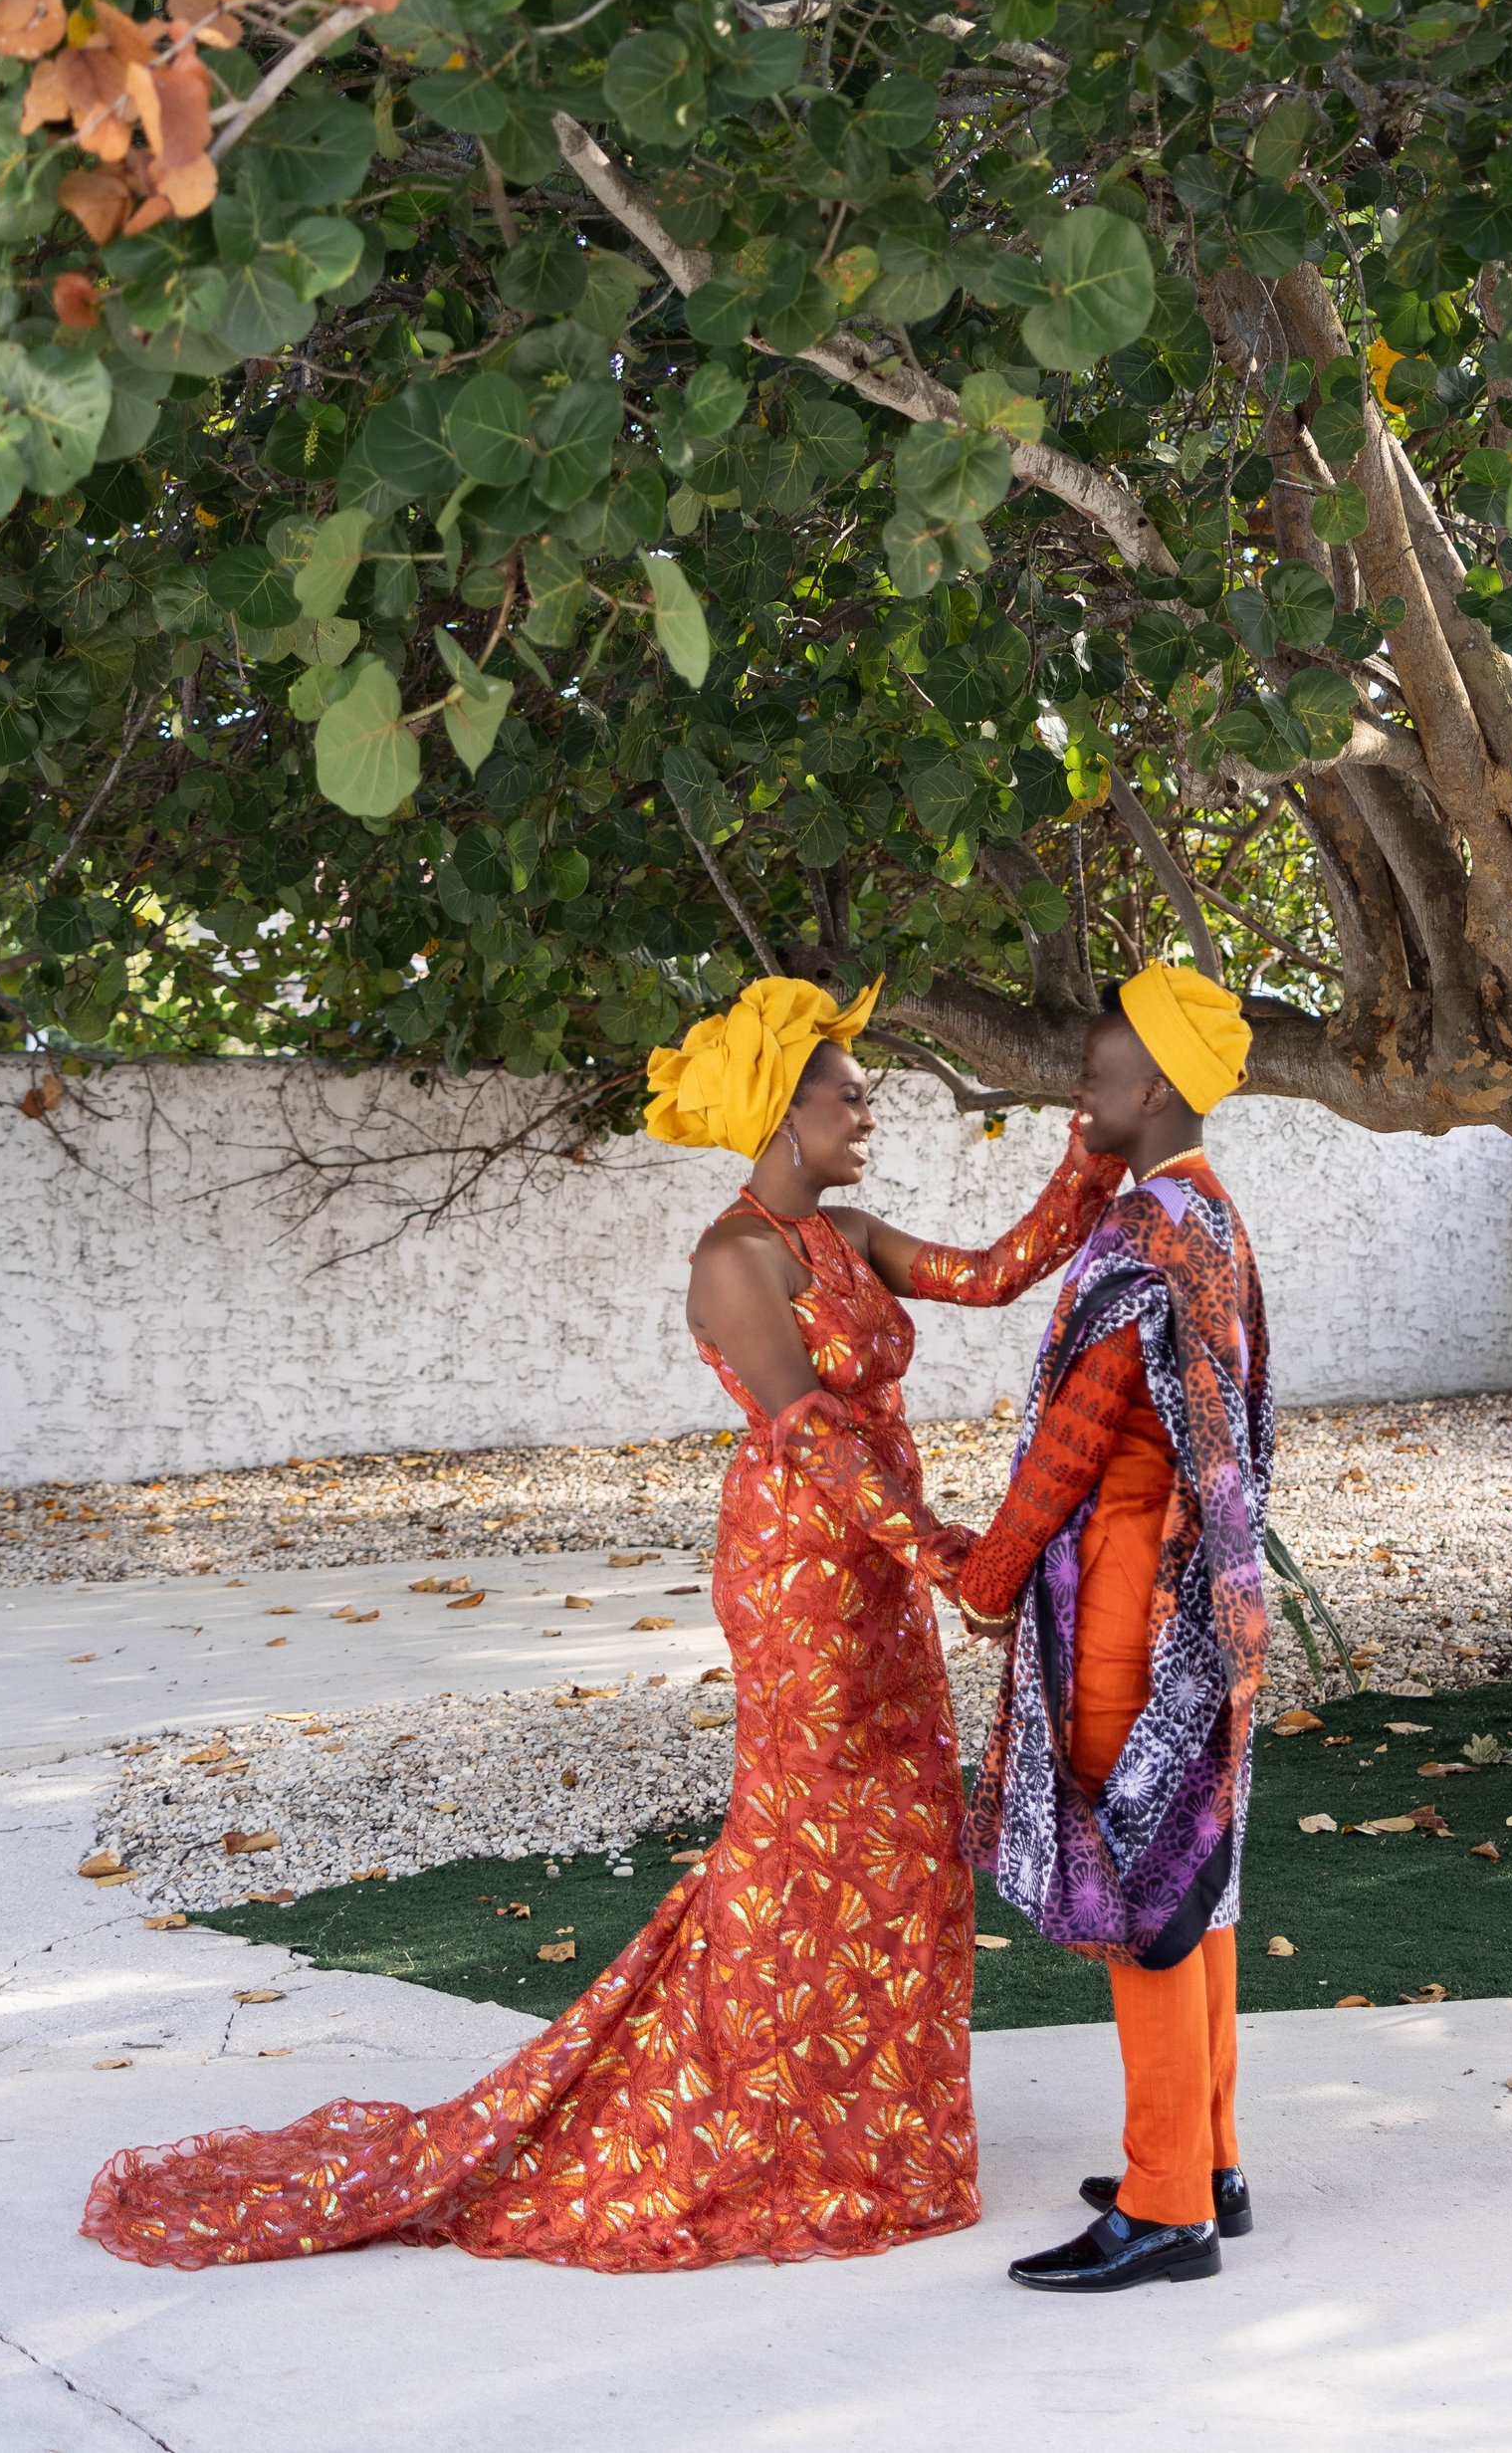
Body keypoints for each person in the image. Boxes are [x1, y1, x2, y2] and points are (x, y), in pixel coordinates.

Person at [81, 971, 1114, 2276]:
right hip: (807, 1571)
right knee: (810, 1850)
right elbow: (813, 1445)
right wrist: (960, 1560)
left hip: (882, 1571)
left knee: (905, 1842)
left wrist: (1090, 1157)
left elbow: (991, 1272)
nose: (868, 1117)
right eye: (847, 1099)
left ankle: (874, 2133)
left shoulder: (844, 1231)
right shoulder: (730, 1261)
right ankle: (772, 2123)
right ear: (782, 1114)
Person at [951, 962, 1272, 2295]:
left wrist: (984, 1582)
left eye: (1093, 1073)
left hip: (1128, 1593)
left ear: (1150, 1089)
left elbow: (1072, 1449)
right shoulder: (1212, 1216)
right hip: (1212, 1597)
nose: (1077, 1090)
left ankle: (1162, 2208)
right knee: (1197, 1870)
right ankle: (1211, 2160)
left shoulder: (1145, 1237)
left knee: (1139, 1884)